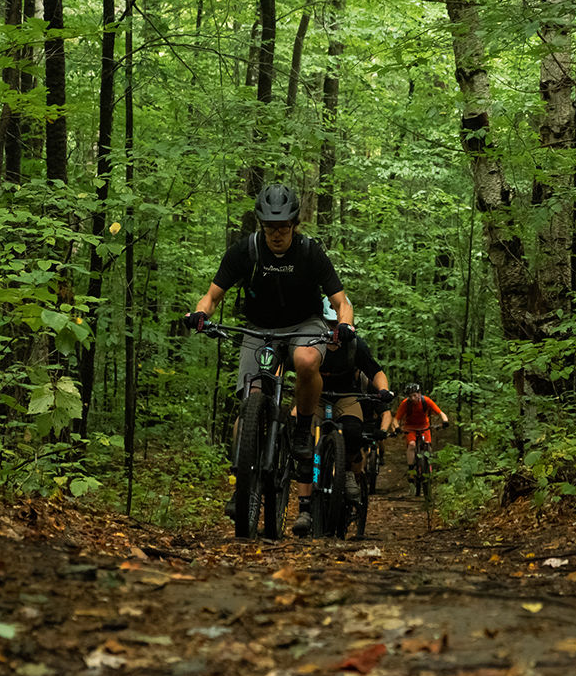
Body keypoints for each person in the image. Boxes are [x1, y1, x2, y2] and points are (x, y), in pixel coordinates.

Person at [184, 183, 354, 536]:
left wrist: (346, 326)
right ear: (260, 225)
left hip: (304, 325)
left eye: (284, 227)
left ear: (295, 224)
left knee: (307, 360)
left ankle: (304, 428)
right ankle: (241, 481)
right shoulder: (244, 252)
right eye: (270, 227)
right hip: (259, 328)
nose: (277, 234)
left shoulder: (310, 253)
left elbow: (341, 302)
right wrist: (199, 314)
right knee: (249, 401)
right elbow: (211, 296)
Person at [310, 298, 393, 502]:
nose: (332, 329)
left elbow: (376, 372)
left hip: (346, 396)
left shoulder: (355, 345)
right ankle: (303, 474)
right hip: (315, 396)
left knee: (353, 430)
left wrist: (383, 390)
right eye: (328, 324)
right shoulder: (310, 342)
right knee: (299, 428)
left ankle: (348, 473)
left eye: (336, 324)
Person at [390, 383, 449, 492]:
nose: (413, 398)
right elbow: (395, 419)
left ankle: (428, 467)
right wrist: (397, 428)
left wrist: (445, 421)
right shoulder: (405, 404)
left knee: (427, 446)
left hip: (424, 427)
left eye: (415, 395)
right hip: (410, 428)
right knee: (412, 445)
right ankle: (411, 470)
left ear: (419, 394)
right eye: (410, 396)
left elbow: (440, 412)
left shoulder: (426, 401)